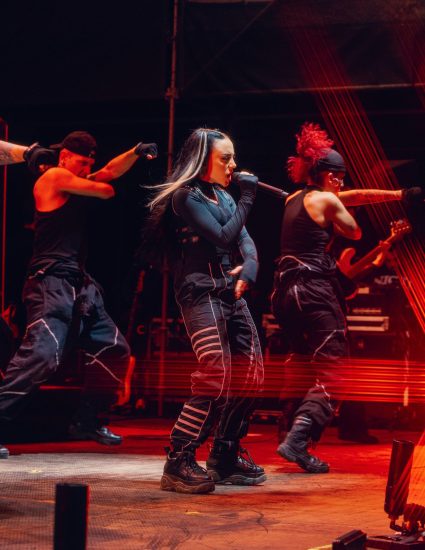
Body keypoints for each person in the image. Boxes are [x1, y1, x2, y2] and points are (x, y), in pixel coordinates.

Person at [0, 131, 158, 458]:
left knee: (114, 349)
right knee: (43, 356)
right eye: (82, 163)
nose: (87, 169)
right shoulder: (55, 177)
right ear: (65, 157)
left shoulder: (74, 179)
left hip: (80, 287)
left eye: (89, 164)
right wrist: (98, 181)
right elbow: (106, 188)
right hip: (50, 283)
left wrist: (134, 151)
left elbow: (110, 171)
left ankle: (86, 421)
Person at [272, 122, 418, 473]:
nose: (343, 184)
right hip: (313, 290)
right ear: (331, 176)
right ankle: (298, 440)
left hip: (284, 293)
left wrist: (398, 195)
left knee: (302, 365)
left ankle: (289, 432)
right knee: (335, 371)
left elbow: (354, 196)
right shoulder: (327, 199)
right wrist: (342, 210)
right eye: (340, 178)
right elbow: (353, 231)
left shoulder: (295, 198)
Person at [145, 128, 265, 494]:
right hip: (200, 294)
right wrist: (248, 196)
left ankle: (225, 456)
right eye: (225, 159)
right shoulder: (186, 197)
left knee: (252, 373)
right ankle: (178, 459)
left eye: (233, 158)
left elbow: (245, 241)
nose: (233, 165)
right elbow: (224, 236)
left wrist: (251, 266)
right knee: (216, 374)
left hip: (229, 292)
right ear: (203, 161)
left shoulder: (224, 196)